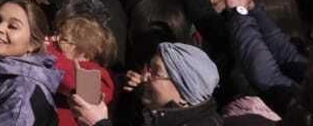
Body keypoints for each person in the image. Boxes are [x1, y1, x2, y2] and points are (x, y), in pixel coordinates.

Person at [70, 42, 222, 126]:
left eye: (156, 72)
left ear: (185, 93)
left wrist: (99, 123)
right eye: (149, 68)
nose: (145, 76)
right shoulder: (146, 106)